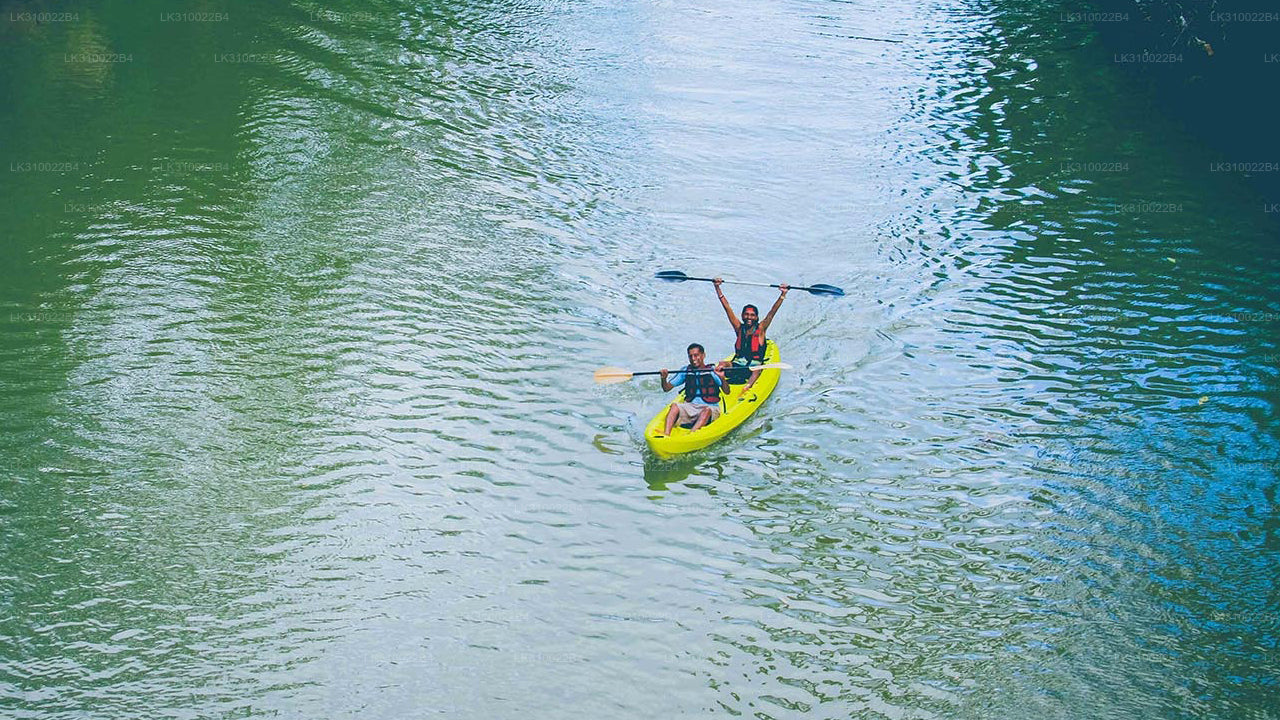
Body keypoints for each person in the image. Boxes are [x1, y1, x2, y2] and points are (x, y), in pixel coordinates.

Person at [713, 277, 788, 392]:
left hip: (754, 367)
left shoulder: (761, 328)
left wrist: (782, 294)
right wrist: (717, 287)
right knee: (722, 364)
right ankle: (719, 381)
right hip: (739, 364)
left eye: (752, 315)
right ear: (742, 316)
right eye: (746, 314)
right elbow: (727, 308)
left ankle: (747, 387)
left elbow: (772, 312)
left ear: (756, 317)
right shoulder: (739, 328)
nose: (749, 317)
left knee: (756, 369)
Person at [657, 343, 726, 436]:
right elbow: (666, 388)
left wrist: (722, 378)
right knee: (674, 406)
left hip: (711, 408)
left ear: (703, 355)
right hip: (691, 406)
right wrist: (663, 378)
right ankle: (666, 434)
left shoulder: (712, 371)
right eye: (690, 356)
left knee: (706, 410)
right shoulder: (685, 371)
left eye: (696, 355)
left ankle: (691, 435)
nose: (693, 359)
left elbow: (727, 391)